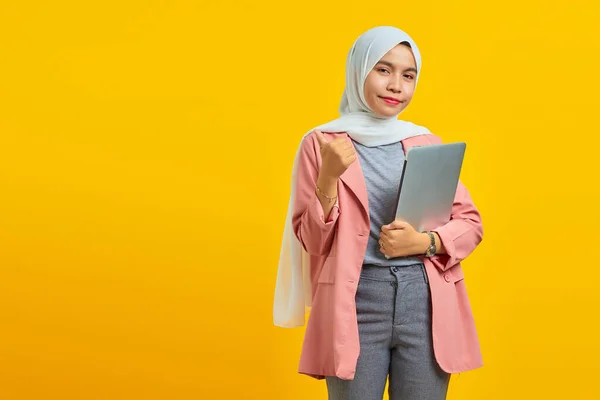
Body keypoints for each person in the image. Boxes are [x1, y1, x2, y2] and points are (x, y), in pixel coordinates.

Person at [273, 26, 484, 400]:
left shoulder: (424, 142)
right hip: (355, 301)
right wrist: (327, 177)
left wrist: (427, 241)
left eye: (408, 75)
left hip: (425, 302)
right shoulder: (322, 143)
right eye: (383, 70)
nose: (396, 86)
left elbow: (470, 223)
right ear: (359, 70)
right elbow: (312, 241)